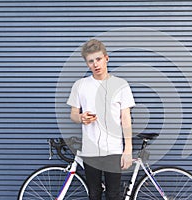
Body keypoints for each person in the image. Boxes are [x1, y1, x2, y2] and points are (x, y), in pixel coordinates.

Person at [67, 39, 135, 200]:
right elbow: (73, 114)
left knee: (113, 195)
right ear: (87, 64)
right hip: (90, 151)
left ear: (106, 58)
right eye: (91, 61)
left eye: (98, 59)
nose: (95, 64)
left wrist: (128, 149)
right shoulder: (80, 85)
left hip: (113, 149)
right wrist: (81, 118)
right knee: (94, 194)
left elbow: (126, 118)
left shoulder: (121, 85)